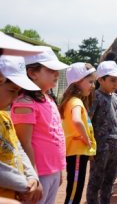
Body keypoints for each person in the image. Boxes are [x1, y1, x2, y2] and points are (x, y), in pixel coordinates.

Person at [11, 47, 69, 204]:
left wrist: (59, 170)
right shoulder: (25, 103)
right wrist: (33, 177)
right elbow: (24, 143)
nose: (57, 74)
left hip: (52, 171)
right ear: (32, 73)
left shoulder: (47, 98)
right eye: (51, 69)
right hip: (38, 174)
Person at [0, 55, 42, 202]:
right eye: (12, 90)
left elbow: (18, 149)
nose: (15, 97)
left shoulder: (5, 118)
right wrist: (23, 184)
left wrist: (32, 177)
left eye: (18, 92)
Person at [86, 61, 117, 204]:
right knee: (96, 179)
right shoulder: (95, 97)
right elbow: (88, 120)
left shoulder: (116, 97)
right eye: (112, 80)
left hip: (116, 143)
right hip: (101, 145)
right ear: (101, 80)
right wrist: (90, 145)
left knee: (109, 179)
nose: (116, 83)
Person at [59, 62, 97, 204]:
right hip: (76, 151)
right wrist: (86, 139)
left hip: (78, 151)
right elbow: (76, 120)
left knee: (77, 187)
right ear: (77, 82)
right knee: (75, 190)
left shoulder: (74, 100)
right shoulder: (75, 101)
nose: (93, 86)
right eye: (90, 82)